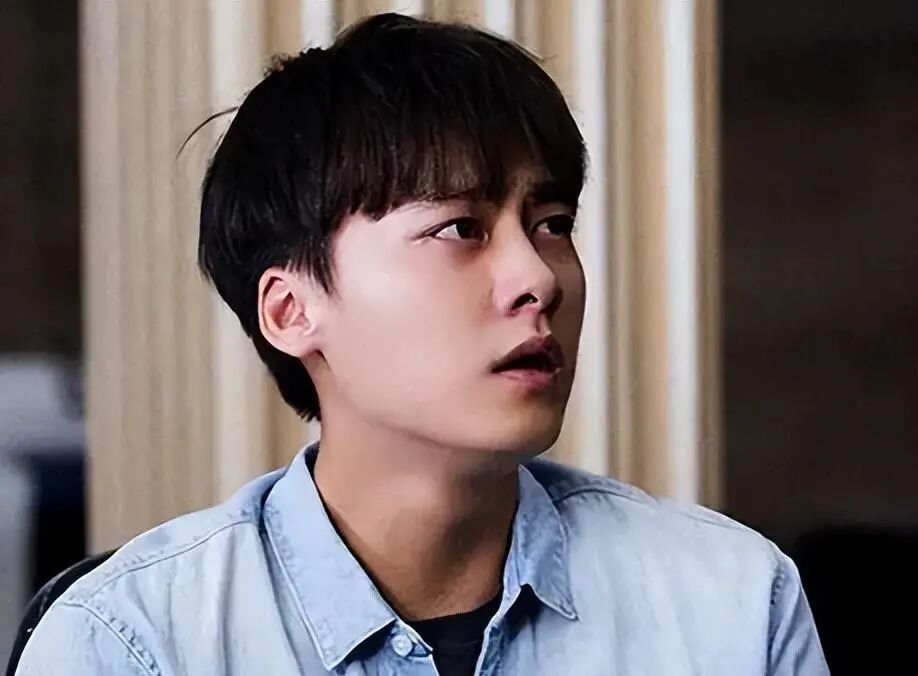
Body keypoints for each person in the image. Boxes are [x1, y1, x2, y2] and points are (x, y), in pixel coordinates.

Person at [15, 13, 829, 676]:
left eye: (551, 224)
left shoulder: (729, 606)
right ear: (292, 311)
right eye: (459, 229)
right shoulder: (132, 643)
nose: (536, 278)